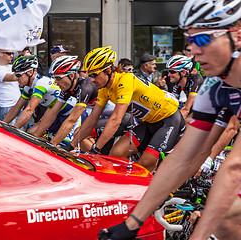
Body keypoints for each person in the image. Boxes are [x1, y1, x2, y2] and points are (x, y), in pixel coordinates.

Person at [98, 1, 241, 239]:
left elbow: (234, 168)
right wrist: (132, 223)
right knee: (225, 219)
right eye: (191, 40)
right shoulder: (215, 87)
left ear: (236, 36)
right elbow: (182, 159)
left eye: (203, 40)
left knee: (223, 217)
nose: (194, 50)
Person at [70, 46, 185, 173]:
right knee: (117, 152)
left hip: (169, 120)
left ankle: (151, 186)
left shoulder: (124, 81)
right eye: (89, 75)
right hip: (150, 123)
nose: (91, 80)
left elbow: (115, 120)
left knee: (146, 163)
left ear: (108, 70)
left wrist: (96, 149)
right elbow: (93, 118)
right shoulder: (104, 89)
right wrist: (70, 145)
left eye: (94, 75)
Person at [31, 55, 99, 148]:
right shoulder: (68, 89)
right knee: (79, 133)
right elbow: (52, 112)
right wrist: (36, 136)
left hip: (115, 117)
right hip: (97, 115)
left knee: (78, 133)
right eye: (54, 78)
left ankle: (95, 157)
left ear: (71, 75)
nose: (55, 82)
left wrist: (52, 145)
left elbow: (71, 120)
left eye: (58, 78)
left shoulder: (85, 87)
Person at [3, 55, 72, 130]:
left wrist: (14, 129)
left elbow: (29, 110)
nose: (16, 78)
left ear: (30, 72)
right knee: (31, 133)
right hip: (55, 114)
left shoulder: (41, 83)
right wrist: (2, 125)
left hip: (70, 113)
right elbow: (17, 107)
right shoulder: (28, 87)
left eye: (19, 75)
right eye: (15, 75)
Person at [166, 55, 204, 120]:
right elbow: (171, 102)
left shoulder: (196, 80)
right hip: (197, 110)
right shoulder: (178, 84)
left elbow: (186, 109)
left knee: (187, 121)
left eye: (172, 71)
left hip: (211, 112)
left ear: (183, 72)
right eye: (168, 71)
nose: (168, 74)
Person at [0, 49, 20, 123]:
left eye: (13, 53)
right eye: (9, 53)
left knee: (19, 132)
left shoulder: (11, 67)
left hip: (18, 104)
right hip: (7, 106)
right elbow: (13, 77)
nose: (12, 56)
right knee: (10, 133)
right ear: (0, 54)